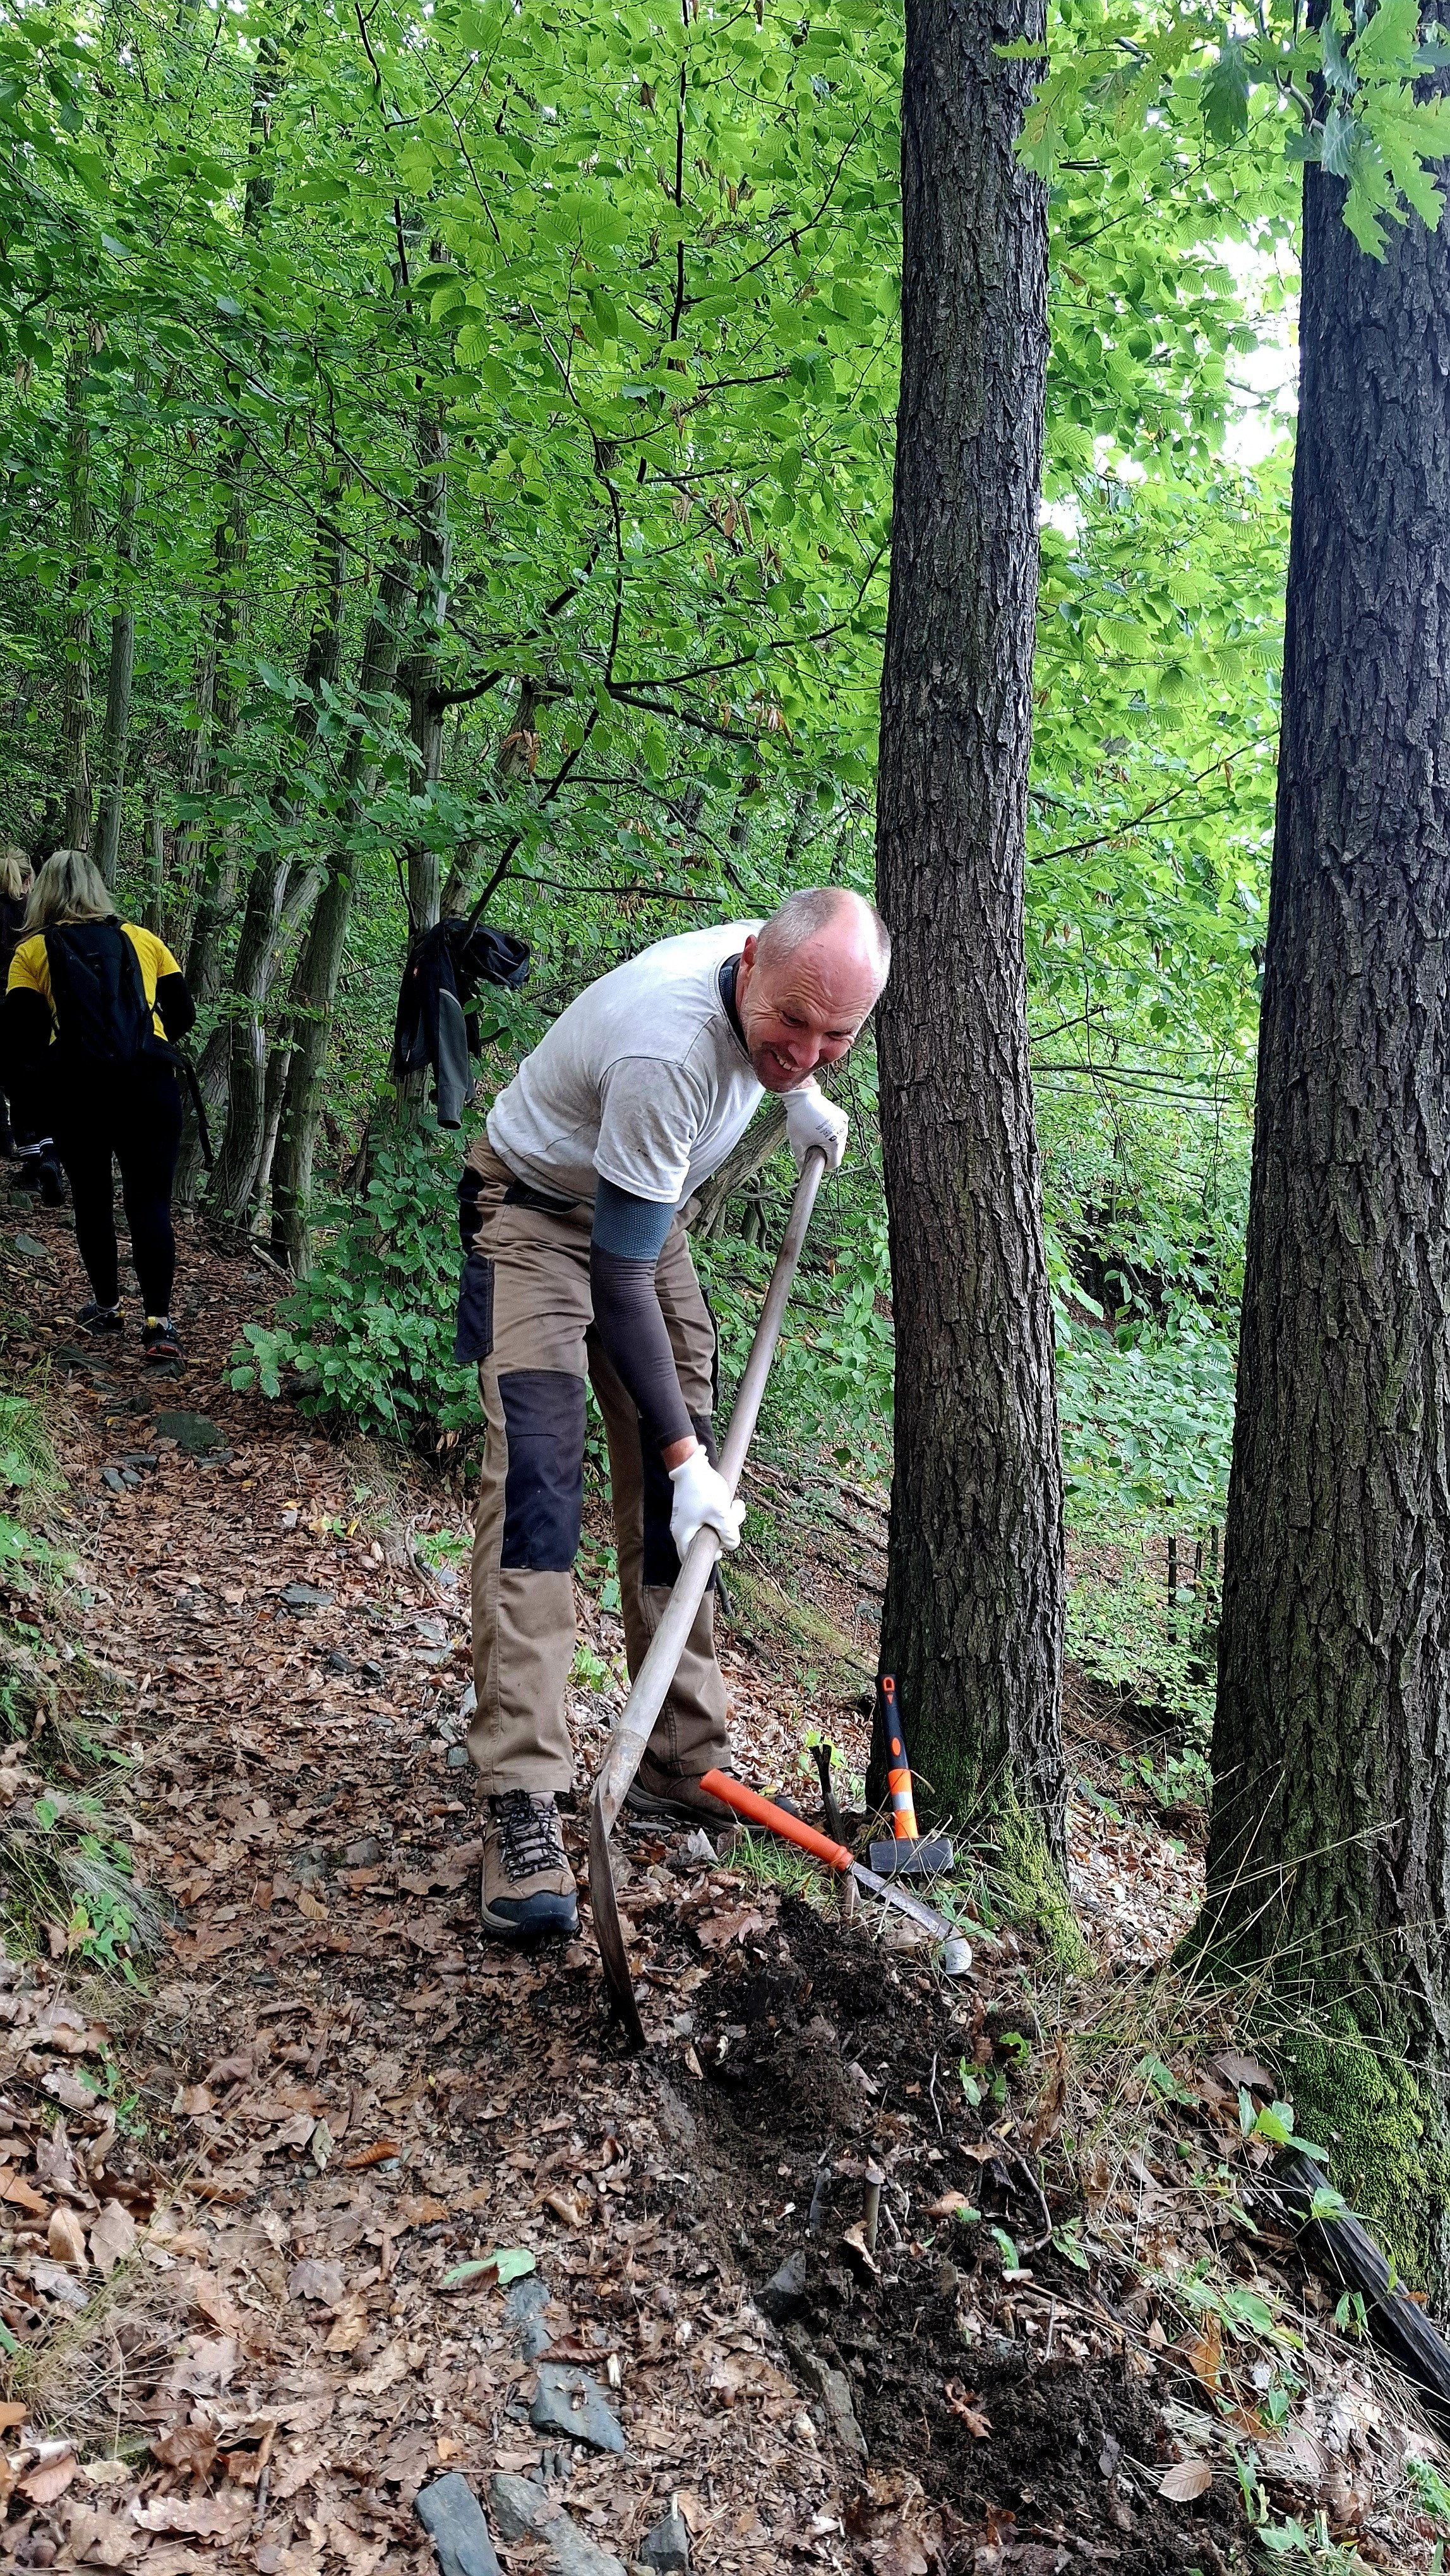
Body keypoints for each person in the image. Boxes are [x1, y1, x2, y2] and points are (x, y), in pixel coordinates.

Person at [457, 885, 891, 1940]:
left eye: (838, 1037)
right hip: (540, 1218)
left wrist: (796, 1097)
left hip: (643, 1219)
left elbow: (650, 1240)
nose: (807, 1050)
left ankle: (678, 1760)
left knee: (678, 1504)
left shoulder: (784, 968)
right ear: (748, 967)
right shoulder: (667, 1052)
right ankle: (521, 1796)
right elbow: (616, 1277)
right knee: (542, 1492)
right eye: (791, 1026)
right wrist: (689, 1453)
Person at [3, 850, 196, 1362]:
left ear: (42, 890)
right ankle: (159, 1324)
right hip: (150, 1085)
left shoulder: (33, 953)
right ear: (97, 887)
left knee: (92, 1200)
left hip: (77, 1092)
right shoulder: (144, 940)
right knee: (150, 1202)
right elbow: (183, 1012)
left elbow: (21, 1037)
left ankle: (108, 1308)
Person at [0, 845, 59, 1198]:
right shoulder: (36, 917)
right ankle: (48, 1157)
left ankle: (27, 1158)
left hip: (1, 1010)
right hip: (33, 1008)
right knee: (39, 1086)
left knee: (14, 1087)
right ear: (28, 878)